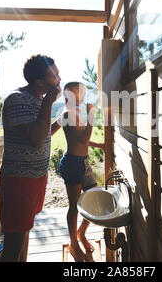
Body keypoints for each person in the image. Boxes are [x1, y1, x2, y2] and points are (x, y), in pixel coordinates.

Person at [0, 54, 62, 262]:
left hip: (34, 179)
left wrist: (61, 122)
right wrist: (50, 101)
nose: (59, 79)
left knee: (24, 232)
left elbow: (41, 134)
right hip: (19, 182)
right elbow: (35, 139)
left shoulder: (37, 100)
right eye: (55, 75)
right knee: (13, 244)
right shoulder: (17, 99)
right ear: (40, 82)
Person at [58, 82, 105, 262]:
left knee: (93, 200)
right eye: (81, 92)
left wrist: (100, 145)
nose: (84, 95)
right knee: (74, 207)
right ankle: (74, 244)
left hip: (83, 163)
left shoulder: (76, 113)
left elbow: (81, 140)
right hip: (72, 164)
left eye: (85, 92)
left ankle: (80, 233)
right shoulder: (67, 114)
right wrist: (92, 115)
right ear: (69, 93)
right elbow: (84, 139)